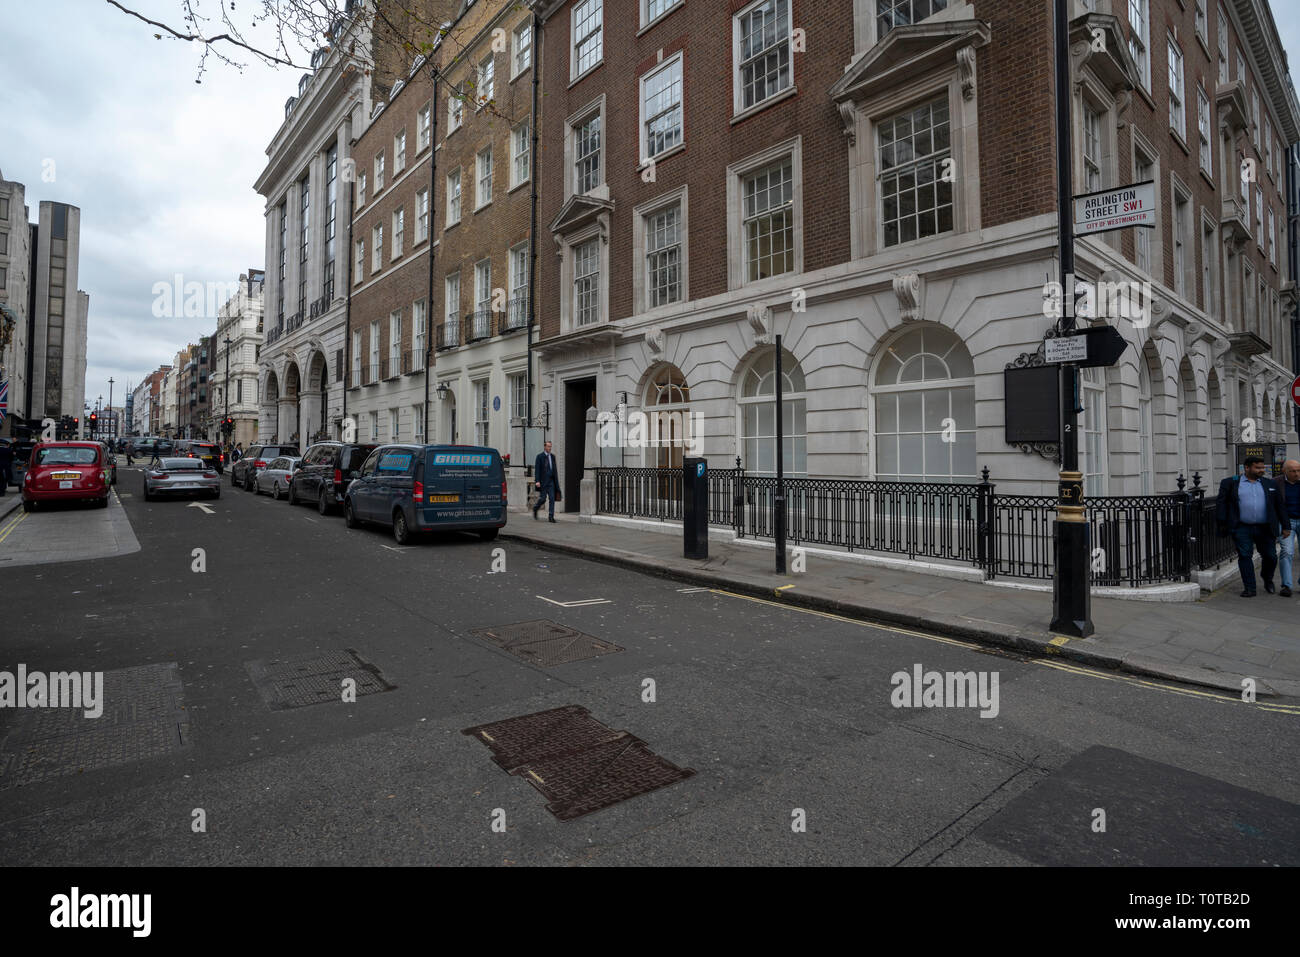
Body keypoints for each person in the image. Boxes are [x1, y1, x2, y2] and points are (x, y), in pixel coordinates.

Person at [1217, 456, 1287, 597]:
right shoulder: (1230, 483)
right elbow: (1221, 504)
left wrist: (1286, 526)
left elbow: (1280, 506)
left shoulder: (1270, 483)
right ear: (1247, 468)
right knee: (1244, 556)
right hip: (1242, 527)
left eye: (1262, 467)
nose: (1262, 470)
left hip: (1265, 527)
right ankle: (1250, 588)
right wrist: (1223, 524)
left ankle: (1267, 579)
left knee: (1271, 557)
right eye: (1258, 467)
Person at [1276, 459, 1300, 598]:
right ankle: (1286, 585)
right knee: (1287, 551)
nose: (1297, 474)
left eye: (1298, 470)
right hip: (1286, 522)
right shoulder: (1276, 482)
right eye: (1293, 471)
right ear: (1284, 471)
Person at [533, 440, 560, 523]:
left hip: (551, 481)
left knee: (552, 498)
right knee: (543, 499)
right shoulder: (539, 457)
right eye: (548, 446)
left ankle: (551, 516)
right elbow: (537, 470)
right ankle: (536, 508)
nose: (549, 448)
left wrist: (556, 482)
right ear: (545, 447)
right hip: (543, 481)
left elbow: (554, 470)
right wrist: (537, 481)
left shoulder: (552, 457)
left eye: (550, 446)